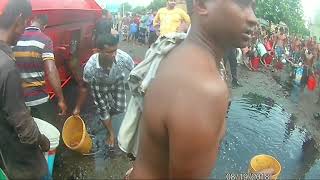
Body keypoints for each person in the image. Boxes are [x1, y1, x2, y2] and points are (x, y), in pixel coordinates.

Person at [129, 0, 257, 178]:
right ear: (202, 4)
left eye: (253, 6)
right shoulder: (202, 88)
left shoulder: (179, 54)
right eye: (242, 3)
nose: (254, 18)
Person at [0, 0, 50, 179]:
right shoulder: (7, 68)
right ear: (19, 18)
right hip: (22, 161)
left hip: (4, 153)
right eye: (26, 22)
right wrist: (43, 141)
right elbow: (25, 128)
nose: (24, 30)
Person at [83, 33, 134, 148]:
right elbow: (85, 85)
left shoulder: (123, 57)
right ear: (98, 51)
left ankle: (107, 115)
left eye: (115, 50)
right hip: (99, 85)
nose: (113, 55)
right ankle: (110, 132)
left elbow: (136, 72)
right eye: (109, 52)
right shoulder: (90, 67)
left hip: (117, 81)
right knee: (103, 110)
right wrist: (78, 106)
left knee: (120, 108)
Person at [13, 14, 67, 120]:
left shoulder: (14, 37)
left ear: (31, 20)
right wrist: (61, 99)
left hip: (16, 100)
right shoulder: (44, 40)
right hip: (38, 99)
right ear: (45, 26)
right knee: (47, 133)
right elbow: (51, 70)